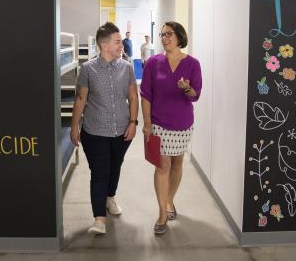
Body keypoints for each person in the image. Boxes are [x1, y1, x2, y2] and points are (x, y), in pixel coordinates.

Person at [71, 22, 139, 236]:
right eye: (118, 42)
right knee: (99, 172)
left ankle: (110, 197)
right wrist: (74, 127)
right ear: (104, 44)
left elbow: (133, 97)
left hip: (122, 131)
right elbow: (81, 99)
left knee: (115, 167)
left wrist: (133, 122)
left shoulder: (126, 67)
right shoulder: (87, 69)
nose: (122, 46)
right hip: (94, 131)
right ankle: (99, 219)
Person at [140, 21, 202, 235]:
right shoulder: (153, 63)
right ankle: (162, 213)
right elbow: (146, 94)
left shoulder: (193, 64)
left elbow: (196, 95)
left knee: (177, 164)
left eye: (169, 34)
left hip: (183, 124)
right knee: (162, 167)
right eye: (162, 34)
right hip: (159, 123)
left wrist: (187, 89)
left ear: (179, 37)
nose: (164, 38)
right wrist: (147, 123)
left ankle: (170, 201)